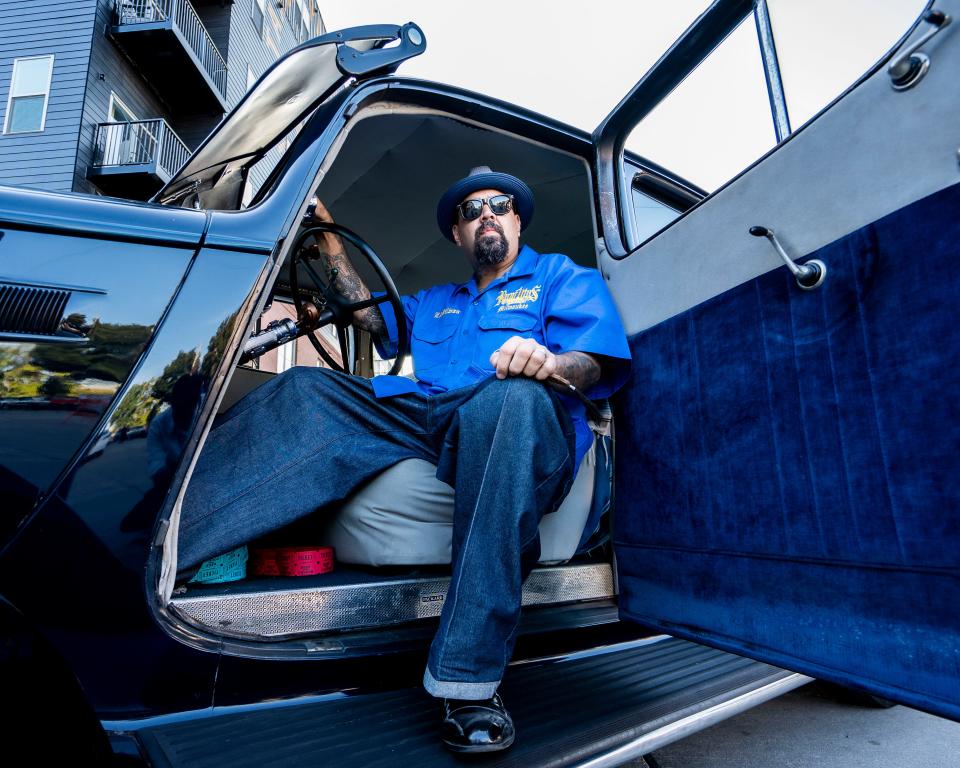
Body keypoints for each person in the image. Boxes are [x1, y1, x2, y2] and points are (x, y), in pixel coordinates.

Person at [179, 166, 631, 753]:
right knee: (306, 387)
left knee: (512, 400)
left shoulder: (559, 278)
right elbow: (369, 317)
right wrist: (327, 235)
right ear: (458, 235)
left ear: (518, 219)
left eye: (499, 205)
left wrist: (548, 363)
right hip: (428, 413)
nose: (486, 215)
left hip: (516, 413)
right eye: (471, 212)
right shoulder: (439, 303)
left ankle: (467, 679)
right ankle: (168, 547)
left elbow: (594, 361)